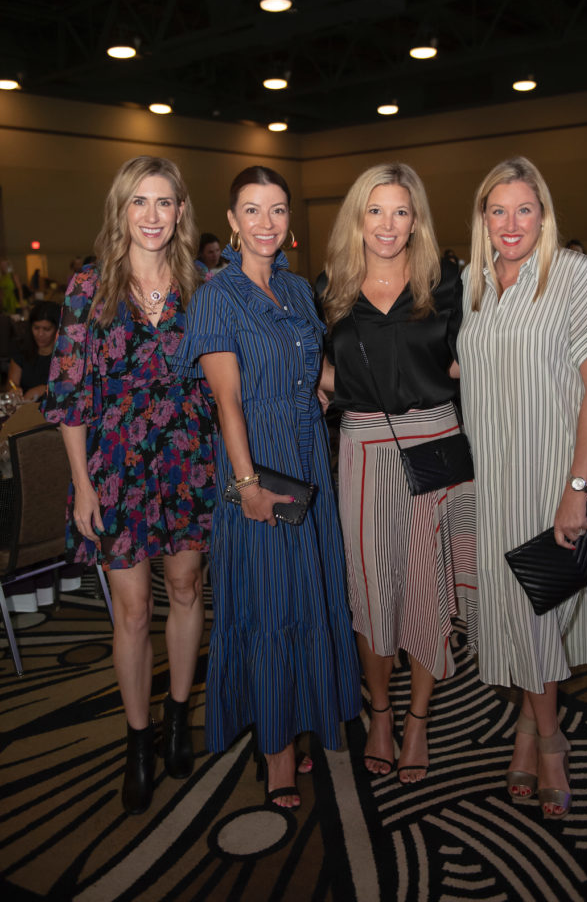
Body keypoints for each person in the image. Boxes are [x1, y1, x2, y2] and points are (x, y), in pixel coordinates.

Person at [172, 164, 360, 810]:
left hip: (309, 457)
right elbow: (226, 401)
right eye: (251, 211)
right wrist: (247, 486)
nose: (266, 223)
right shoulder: (217, 296)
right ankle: (275, 749)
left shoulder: (298, 290)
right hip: (258, 465)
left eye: (277, 210)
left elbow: (319, 377)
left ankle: (301, 715)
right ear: (230, 222)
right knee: (271, 603)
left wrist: (384, 386)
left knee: (309, 595)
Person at [42, 156, 215, 815]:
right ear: (121, 209)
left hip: (185, 461)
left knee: (186, 588)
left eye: (163, 202)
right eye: (139, 201)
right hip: (116, 471)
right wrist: (83, 486)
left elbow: (218, 379)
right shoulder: (90, 287)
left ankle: (178, 716)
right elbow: (67, 394)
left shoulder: (200, 286)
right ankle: (137, 740)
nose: (151, 214)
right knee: (135, 610)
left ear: (180, 212)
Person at [458, 156, 587, 819]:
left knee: (538, 609)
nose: (509, 223)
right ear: (481, 218)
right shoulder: (473, 280)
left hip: (554, 470)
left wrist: (577, 486)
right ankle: (528, 726)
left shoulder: (571, 275)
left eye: (523, 209)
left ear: (544, 215)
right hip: (494, 474)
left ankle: (546, 739)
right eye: (496, 210)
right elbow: (470, 360)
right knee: (513, 605)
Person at [316, 162, 477, 785]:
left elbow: (469, 363)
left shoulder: (447, 283)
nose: (388, 224)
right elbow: (319, 368)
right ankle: (379, 712)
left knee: (426, 591)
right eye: (375, 211)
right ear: (359, 217)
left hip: (435, 445)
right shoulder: (331, 287)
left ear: (417, 220)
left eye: (401, 212)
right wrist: (325, 387)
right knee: (370, 588)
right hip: (363, 451)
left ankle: (415, 719)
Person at [8, 301, 61, 402]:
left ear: (57, 329)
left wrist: (45, 388)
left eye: (46, 329)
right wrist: (14, 390)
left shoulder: (64, 356)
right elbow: (12, 383)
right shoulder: (21, 349)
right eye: (36, 328)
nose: (40, 334)